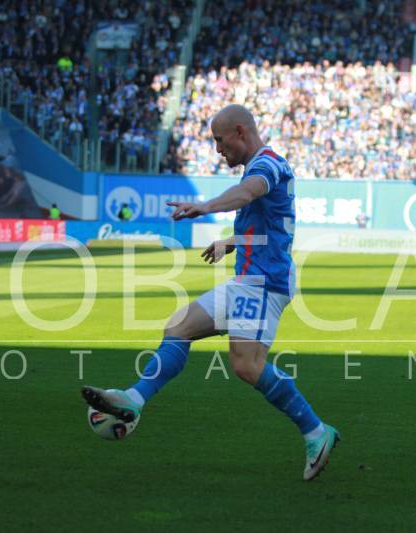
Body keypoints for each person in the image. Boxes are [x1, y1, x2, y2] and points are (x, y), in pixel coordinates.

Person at [82, 104, 340, 481]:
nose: (218, 150)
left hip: (264, 283)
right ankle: (133, 400)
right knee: (179, 327)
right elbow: (268, 225)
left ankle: (316, 432)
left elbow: (247, 193)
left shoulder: (268, 165)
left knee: (246, 366)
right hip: (248, 280)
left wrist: (205, 207)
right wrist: (231, 242)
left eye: (219, 140)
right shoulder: (260, 166)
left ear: (240, 132)